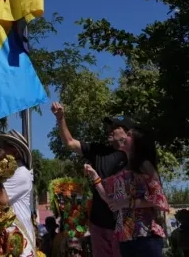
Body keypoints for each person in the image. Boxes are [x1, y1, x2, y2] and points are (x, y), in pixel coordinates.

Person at [51, 102, 131, 257]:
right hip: (98, 224)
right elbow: (70, 142)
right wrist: (60, 118)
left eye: (114, 127)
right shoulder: (98, 151)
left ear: (127, 133)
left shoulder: (135, 158)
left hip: (124, 225)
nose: (109, 129)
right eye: (109, 126)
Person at [83, 127, 169, 257]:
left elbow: (159, 199)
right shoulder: (121, 169)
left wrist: (127, 202)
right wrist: (94, 176)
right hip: (125, 240)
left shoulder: (144, 165)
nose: (124, 136)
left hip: (145, 237)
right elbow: (109, 200)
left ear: (136, 142)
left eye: (128, 134)